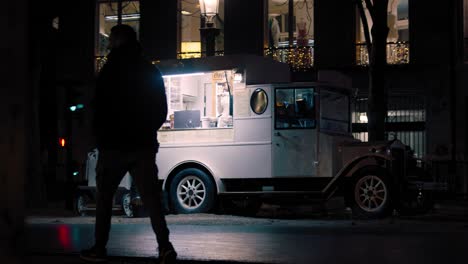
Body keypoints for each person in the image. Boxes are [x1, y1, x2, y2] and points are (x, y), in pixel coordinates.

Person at [80, 24, 177, 264]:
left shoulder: (109, 71)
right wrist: (145, 130)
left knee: (104, 198)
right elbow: (160, 110)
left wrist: (100, 136)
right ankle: (164, 246)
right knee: (151, 198)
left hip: (113, 145)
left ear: (117, 41)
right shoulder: (149, 71)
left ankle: (100, 247)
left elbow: (98, 108)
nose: (108, 42)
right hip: (142, 144)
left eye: (111, 38)